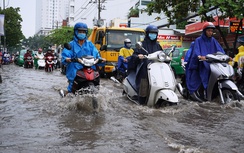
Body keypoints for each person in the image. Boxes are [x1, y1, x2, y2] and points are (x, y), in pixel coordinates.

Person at [59, 22, 105, 97]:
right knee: (71, 88)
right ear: (76, 32)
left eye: (84, 32)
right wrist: (67, 59)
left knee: (97, 80)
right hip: (75, 68)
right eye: (80, 31)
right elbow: (65, 55)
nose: (82, 33)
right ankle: (68, 94)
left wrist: (100, 59)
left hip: (89, 67)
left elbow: (96, 54)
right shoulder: (71, 44)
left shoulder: (90, 44)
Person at [186, 22, 225, 101]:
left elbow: (220, 50)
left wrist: (225, 56)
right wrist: (200, 56)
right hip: (201, 64)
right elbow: (197, 51)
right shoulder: (198, 40)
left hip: (212, 64)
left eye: (211, 31)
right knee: (200, 79)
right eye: (209, 31)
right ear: (204, 31)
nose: (210, 32)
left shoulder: (213, 40)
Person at [128, 25, 162, 105]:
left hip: (156, 70)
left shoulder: (158, 45)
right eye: (151, 33)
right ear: (147, 34)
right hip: (145, 70)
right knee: (144, 86)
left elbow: (161, 54)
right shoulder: (141, 45)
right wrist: (138, 57)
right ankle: (142, 101)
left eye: (155, 33)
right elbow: (134, 56)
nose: (153, 35)